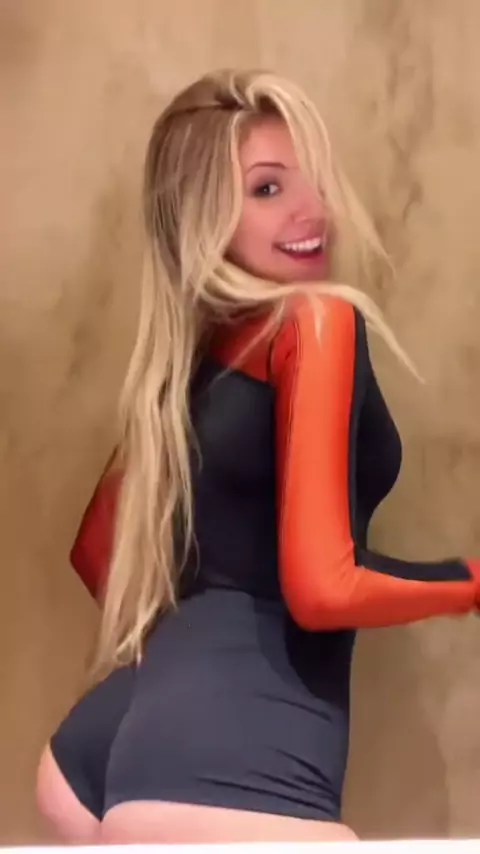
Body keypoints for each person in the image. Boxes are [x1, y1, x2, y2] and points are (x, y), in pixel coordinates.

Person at [35, 68, 480, 845]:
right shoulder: (315, 322)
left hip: (106, 754)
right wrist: (468, 583)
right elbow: (322, 588)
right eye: (268, 189)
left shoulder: (196, 357)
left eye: (312, 178)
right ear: (203, 219)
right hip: (234, 766)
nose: (313, 210)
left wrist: (187, 670)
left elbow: (99, 549)